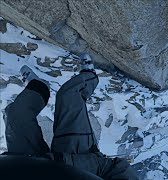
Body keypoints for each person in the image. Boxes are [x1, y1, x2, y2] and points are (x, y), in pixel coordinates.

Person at [2, 54, 139, 179]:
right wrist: (67, 162)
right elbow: (117, 168)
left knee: (15, 114)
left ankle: (38, 87)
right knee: (69, 95)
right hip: (76, 162)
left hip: (25, 166)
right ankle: (89, 76)